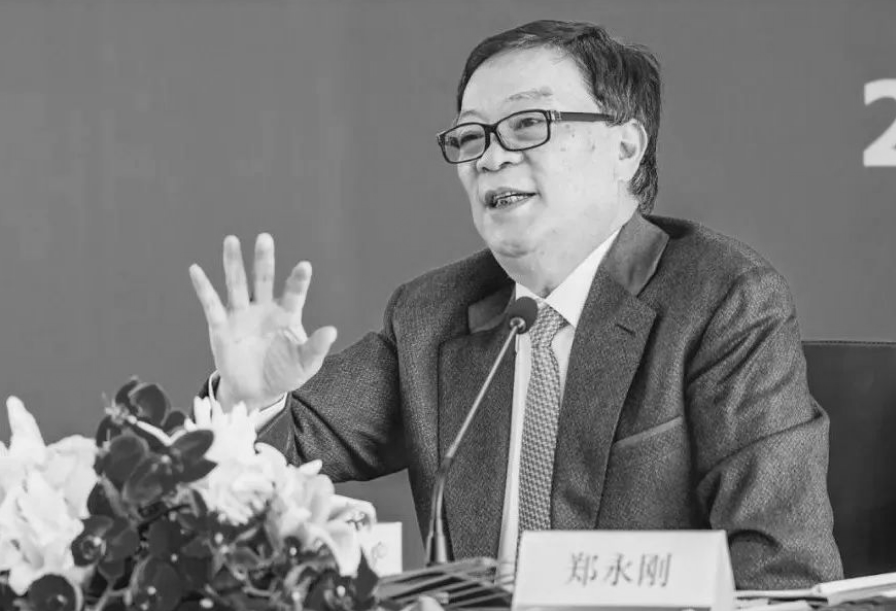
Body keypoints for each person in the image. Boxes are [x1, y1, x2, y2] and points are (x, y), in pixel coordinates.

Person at [189, 19, 843, 589]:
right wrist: (249, 399)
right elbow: (282, 455)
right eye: (471, 137)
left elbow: (782, 576)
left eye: (528, 124)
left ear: (625, 148)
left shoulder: (722, 300)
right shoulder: (430, 315)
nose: (492, 157)